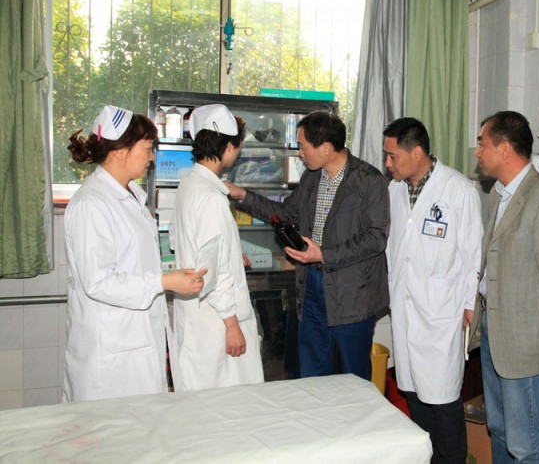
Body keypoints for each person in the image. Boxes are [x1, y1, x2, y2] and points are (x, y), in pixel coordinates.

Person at [225, 110, 389, 380]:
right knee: (312, 371)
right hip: (311, 285)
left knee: (354, 376)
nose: (300, 153)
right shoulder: (312, 178)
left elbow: (375, 239)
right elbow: (285, 213)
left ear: (325, 147)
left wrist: (323, 254)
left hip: (352, 292)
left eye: (303, 146)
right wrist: (243, 195)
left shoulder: (369, 181)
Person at [63, 105, 205, 402]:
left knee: (141, 422)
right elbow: (98, 282)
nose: (152, 158)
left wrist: (169, 276)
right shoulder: (92, 204)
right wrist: (163, 282)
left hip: (136, 342)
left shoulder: (131, 197)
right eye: (148, 148)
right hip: (111, 353)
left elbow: (134, 263)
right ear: (120, 151)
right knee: (111, 428)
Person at [467, 111, 539, 463]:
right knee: (499, 428)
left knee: (526, 442)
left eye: (482, 144)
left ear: (504, 148)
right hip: (494, 330)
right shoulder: (499, 194)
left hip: (524, 339)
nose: (477, 152)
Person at [382, 117, 482, 464]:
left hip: (443, 312)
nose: (388, 163)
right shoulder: (395, 191)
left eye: (393, 156)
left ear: (417, 153)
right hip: (405, 307)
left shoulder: (458, 190)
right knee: (413, 394)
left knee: (443, 400)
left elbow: (474, 254)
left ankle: (452, 459)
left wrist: (469, 304)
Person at [171, 104, 264, 391]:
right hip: (217, 321)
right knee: (226, 401)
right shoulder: (211, 198)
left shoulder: (188, 185)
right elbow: (215, 268)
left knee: (201, 396)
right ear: (228, 146)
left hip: (196, 313)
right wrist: (232, 325)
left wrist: (233, 256)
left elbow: (184, 241)